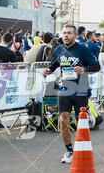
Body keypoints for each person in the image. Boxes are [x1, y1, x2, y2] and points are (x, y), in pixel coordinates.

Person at [42, 24, 100, 164]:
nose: (66, 36)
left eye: (69, 33)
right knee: (63, 119)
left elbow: (96, 66)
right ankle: (69, 151)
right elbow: (55, 64)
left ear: (75, 35)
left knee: (80, 123)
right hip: (65, 88)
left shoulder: (83, 49)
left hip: (80, 88)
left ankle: (82, 149)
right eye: (64, 33)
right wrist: (48, 70)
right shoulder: (59, 49)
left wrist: (84, 69)